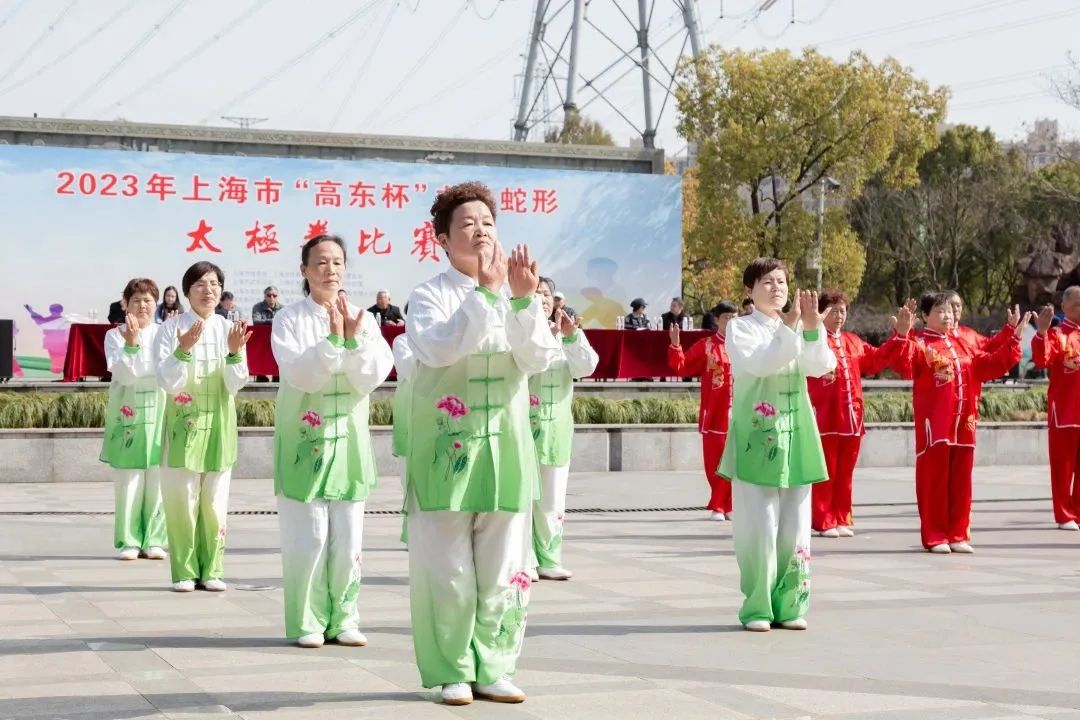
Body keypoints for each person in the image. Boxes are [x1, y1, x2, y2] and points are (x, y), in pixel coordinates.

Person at [404, 182, 560, 706]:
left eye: (488, 224)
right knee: (448, 568)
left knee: (502, 565)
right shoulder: (429, 296)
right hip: (447, 449)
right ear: (443, 239)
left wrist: (519, 301)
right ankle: (452, 668)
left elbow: (538, 358)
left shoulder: (522, 294)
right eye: (467, 224)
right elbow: (440, 348)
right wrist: (489, 295)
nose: (480, 232)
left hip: (506, 446)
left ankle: (494, 665)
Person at [271, 235, 394, 648]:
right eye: (320, 262)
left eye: (338, 262)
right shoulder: (288, 318)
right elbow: (299, 374)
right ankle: (308, 620)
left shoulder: (364, 317)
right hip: (306, 438)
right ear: (304, 270)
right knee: (310, 535)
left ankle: (345, 618)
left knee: (348, 535)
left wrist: (354, 340)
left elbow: (373, 373)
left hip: (349, 438)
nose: (330, 269)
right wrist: (334, 342)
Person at [718, 258, 836, 633]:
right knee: (758, 523)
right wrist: (790, 330)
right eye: (767, 282)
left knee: (796, 524)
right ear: (750, 290)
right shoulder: (740, 328)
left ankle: (790, 604)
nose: (777, 288)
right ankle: (757, 606)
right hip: (758, 435)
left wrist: (814, 331)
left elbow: (820, 366)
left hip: (797, 430)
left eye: (782, 281)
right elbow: (761, 364)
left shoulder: (799, 326)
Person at [890, 293, 1026, 553]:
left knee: (962, 480)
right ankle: (936, 535)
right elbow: (902, 365)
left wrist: (1015, 339)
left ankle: (958, 533)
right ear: (926, 317)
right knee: (935, 480)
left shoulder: (963, 344)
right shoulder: (919, 344)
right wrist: (901, 335)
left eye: (950, 311)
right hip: (936, 425)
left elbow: (989, 365)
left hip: (965, 423)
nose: (948, 315)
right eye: (940, 311)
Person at [155, 262, 251, 592]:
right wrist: (182, 350)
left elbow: (237, 384)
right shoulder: (170, 329)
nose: (208, 290)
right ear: (186, 291)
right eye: (200, 284)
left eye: (214, 284)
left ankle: (212, 569)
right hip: (184, 425)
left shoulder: (229, 330)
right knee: (182, 498)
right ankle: (183, 571)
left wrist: (236, 354)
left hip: (219, 424)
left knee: (214, 502)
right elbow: (167, 382)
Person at [806, 290, 907, 538]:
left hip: (851, 416)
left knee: (845, 471)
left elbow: (876, 359)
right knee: (825, 470)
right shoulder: (813, 340)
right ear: (822, 312)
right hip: (825, 416)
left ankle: (841, 516)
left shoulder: (853, 341)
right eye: (833, 310)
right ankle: (823, 518)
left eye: (843, 310)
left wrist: (899, 337)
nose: (839, 315)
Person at [529, 277, 599, 580]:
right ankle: (522, 559)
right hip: (522, 425)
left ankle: (549, 557)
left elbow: (587, 367)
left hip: (556, 427)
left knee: (552, 497)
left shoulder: (567, 335)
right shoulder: (517, 332)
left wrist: (571, 337)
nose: (543, 298)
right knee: (521, 497)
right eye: (536, 293)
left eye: (546, 293)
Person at [100, 278, 168, 561]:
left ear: (156, 304)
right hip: (128, 415)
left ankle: (154, 539)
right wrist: (131, 345)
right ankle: (129, 540)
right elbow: (126, 375)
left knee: (158, 478)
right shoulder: (114, 336)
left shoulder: (166, 333)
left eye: (148, 299)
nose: (142, 305)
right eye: (136, 300)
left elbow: (167, 370)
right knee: (129, 480)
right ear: (125, 303)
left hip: (160, 411)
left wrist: (142, 363)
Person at [669, 300, 738, 520]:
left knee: (737, 461)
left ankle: (730, 505)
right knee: (715, 461)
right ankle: (720, 505)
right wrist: (675, 345)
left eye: (734, 317)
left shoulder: (747, 346)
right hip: (715, 413)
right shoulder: (706, 345)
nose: (731, 321)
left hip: (743, 412)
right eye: (726, 317)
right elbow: (682, 366)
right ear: (717, 320)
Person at [1031, 289, 1080, 531]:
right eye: (1077, 304)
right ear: (1065, 305)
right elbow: (1041, 360)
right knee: (1064, 466)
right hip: (1065, 412)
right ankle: (1064, 514)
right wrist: (1041, 332)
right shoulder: (1057, 335)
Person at [392, 333, 416, 545]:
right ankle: (412, 534)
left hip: (436, 416)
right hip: (409, 419)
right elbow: (412, 369)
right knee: (408, 479)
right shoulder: (402, 341)